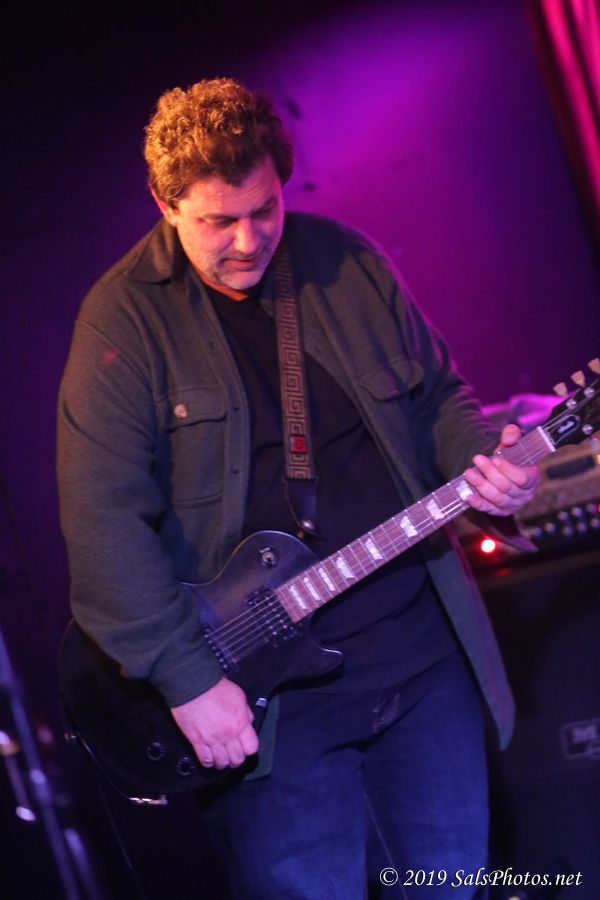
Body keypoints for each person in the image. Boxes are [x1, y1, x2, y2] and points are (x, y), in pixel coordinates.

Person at [57, 78, 539, 899]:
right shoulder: (122, 321)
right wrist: (187, 679)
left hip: (419, 659)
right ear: (165, 205)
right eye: (219, 221)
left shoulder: (346, 261)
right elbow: (103, 526)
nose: (248, 240)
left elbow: (438, 400)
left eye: (265, 210)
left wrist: (486, 459)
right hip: (270, 704)